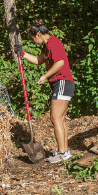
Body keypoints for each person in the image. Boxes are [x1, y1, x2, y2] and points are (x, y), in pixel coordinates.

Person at [19, 23, 73, 164]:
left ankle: (62, 153)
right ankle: (65, 151)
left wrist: (45, 76)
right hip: (62, 84)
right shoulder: (47, 46)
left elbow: (60, 62)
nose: (33, 42)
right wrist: (22, 53)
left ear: (38, 35)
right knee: (59, 119)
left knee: (55, 117)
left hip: (62, 82)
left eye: (33, 39)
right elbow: (38, 60)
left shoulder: (53, 42)